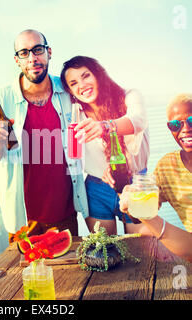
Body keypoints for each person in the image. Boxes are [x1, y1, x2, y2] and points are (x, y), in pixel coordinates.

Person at [0, 30, 88, 242]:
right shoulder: (1, 99)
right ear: (17, 60)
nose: (33, 58)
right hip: (23, 220)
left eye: (38, 49)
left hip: (66, 214)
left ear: (49, 52)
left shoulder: (68, 90)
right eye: (24, 53)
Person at [60, 56, 150, 235]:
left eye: (86, 76)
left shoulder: (130, 96)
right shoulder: (76, 117)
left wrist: (106, 126)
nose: (82, 85)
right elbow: (73, 153)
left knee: (144, 249)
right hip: (97, 189)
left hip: (137, 184)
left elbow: (138, 121)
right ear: (70, 91)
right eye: (74, 83)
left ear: (98, 75)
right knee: (106, 251)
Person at [118, 93, 192, 262]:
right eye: (175, 124)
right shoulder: (168, 166)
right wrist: (130, 196)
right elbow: (141, 212)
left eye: (191, 120)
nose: (186, 129)